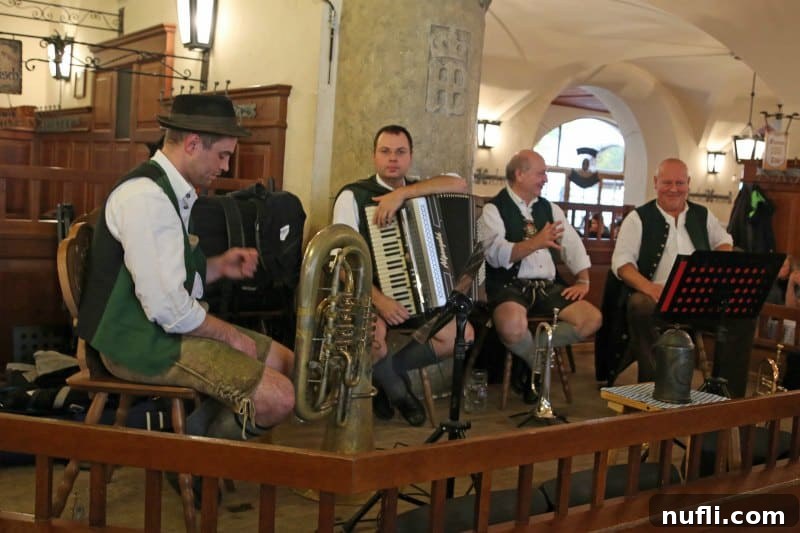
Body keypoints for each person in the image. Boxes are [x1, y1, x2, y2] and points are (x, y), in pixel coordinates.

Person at [78, 94, 295, 444]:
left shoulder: (170, 190)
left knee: (286, 363)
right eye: (222, 155)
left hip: (160, 329)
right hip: (135, 343)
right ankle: (190, 461)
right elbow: (168, 309)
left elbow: (167, 280)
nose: (226, 167)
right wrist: (230, 336)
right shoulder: (146, 197)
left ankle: (186, 442)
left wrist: (218, 266)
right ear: (193, 144)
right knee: (278, 398)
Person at [332, 124, 474, 426]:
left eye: (400, 152)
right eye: (385, 151)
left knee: (462, 336)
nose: (392, 158)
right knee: (373, 340)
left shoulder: (420, 190)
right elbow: (342, 261)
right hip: (369, 295)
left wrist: (401, 194)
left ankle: (387, 375)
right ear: (374, 156)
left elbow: (459, 184)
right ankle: (400, 393)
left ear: (410, 156)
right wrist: (380, 301)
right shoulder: (353, 196)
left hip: (421, 295)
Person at [598, 157, 754, 397]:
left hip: (699, 297)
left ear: (688, 183)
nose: (673, 189)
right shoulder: (638, 218)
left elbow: (725, 241)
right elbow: (622, 264)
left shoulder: (703, 215)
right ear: (656, 183)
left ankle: (729, 394)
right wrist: (649, 287)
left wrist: (715, 269)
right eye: (667, 182)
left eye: (680, 183)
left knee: (743, 312)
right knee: (640, 305)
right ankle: (656, 388)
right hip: (657, 295)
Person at [477, 149, 602, 400]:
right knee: (512, 327)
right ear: (520, 174)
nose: (545, 179)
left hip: (548, 287)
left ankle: (534, 351)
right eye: (541, 173)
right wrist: (536, 242)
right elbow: (495, 255)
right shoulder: (493, 210)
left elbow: (573, 245)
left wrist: (583, 279)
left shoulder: (550, 209)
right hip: (510, 286)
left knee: (591, 319)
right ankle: (537, 363)